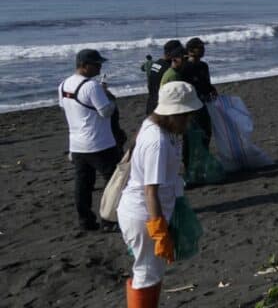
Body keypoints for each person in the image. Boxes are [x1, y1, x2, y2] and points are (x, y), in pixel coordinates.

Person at [117, 81, 202, 306]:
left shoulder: (151, 124)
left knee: (149, 272)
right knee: (146, 273)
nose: (189, 121)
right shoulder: (158, 142)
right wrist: (159, 231)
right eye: (186, 115)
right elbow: (150, 191)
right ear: (174, 114)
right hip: (143, 215)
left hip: (142, 211)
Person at [59, 49, 124, 231]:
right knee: (113, 182)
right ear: (84, 66)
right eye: (96, 64)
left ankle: (85, 220)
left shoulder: (63, 84)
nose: (99, 66)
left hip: (77, 144)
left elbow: (64, 107)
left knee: (83, 184)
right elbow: (106, 111)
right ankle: (109, 219)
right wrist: (109, 97)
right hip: (99, 143)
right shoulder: (91, 86)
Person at [181, 37, 216, 161]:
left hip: (204, 104)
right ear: (190, 51)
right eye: (199, 48)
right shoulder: (185, 67)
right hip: (190, 107)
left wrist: (212, 89)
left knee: (206, 133)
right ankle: (188, 163)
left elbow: (206, 83)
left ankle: (203, 158)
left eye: (203, 47)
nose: (202, 50)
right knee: (190, 136)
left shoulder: (203, 65)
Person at [146, 40, 183, 114]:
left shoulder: (156, 64)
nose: (181, 55)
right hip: (161, 107)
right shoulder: (169, 69)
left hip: (151, 103)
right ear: (172, 53)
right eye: (179, 53)